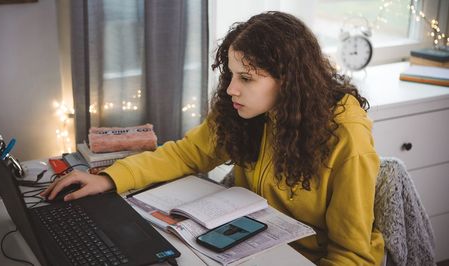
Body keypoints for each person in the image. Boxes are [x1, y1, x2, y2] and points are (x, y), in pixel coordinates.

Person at [42, 11, 384, 265]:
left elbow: (353, 255)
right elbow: (186, 154)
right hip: (250, 245)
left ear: (288, 80)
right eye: (231, 75)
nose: (232, 89)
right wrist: (110, 179)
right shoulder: (245, 110)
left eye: (247, 79)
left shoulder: (346, 138)